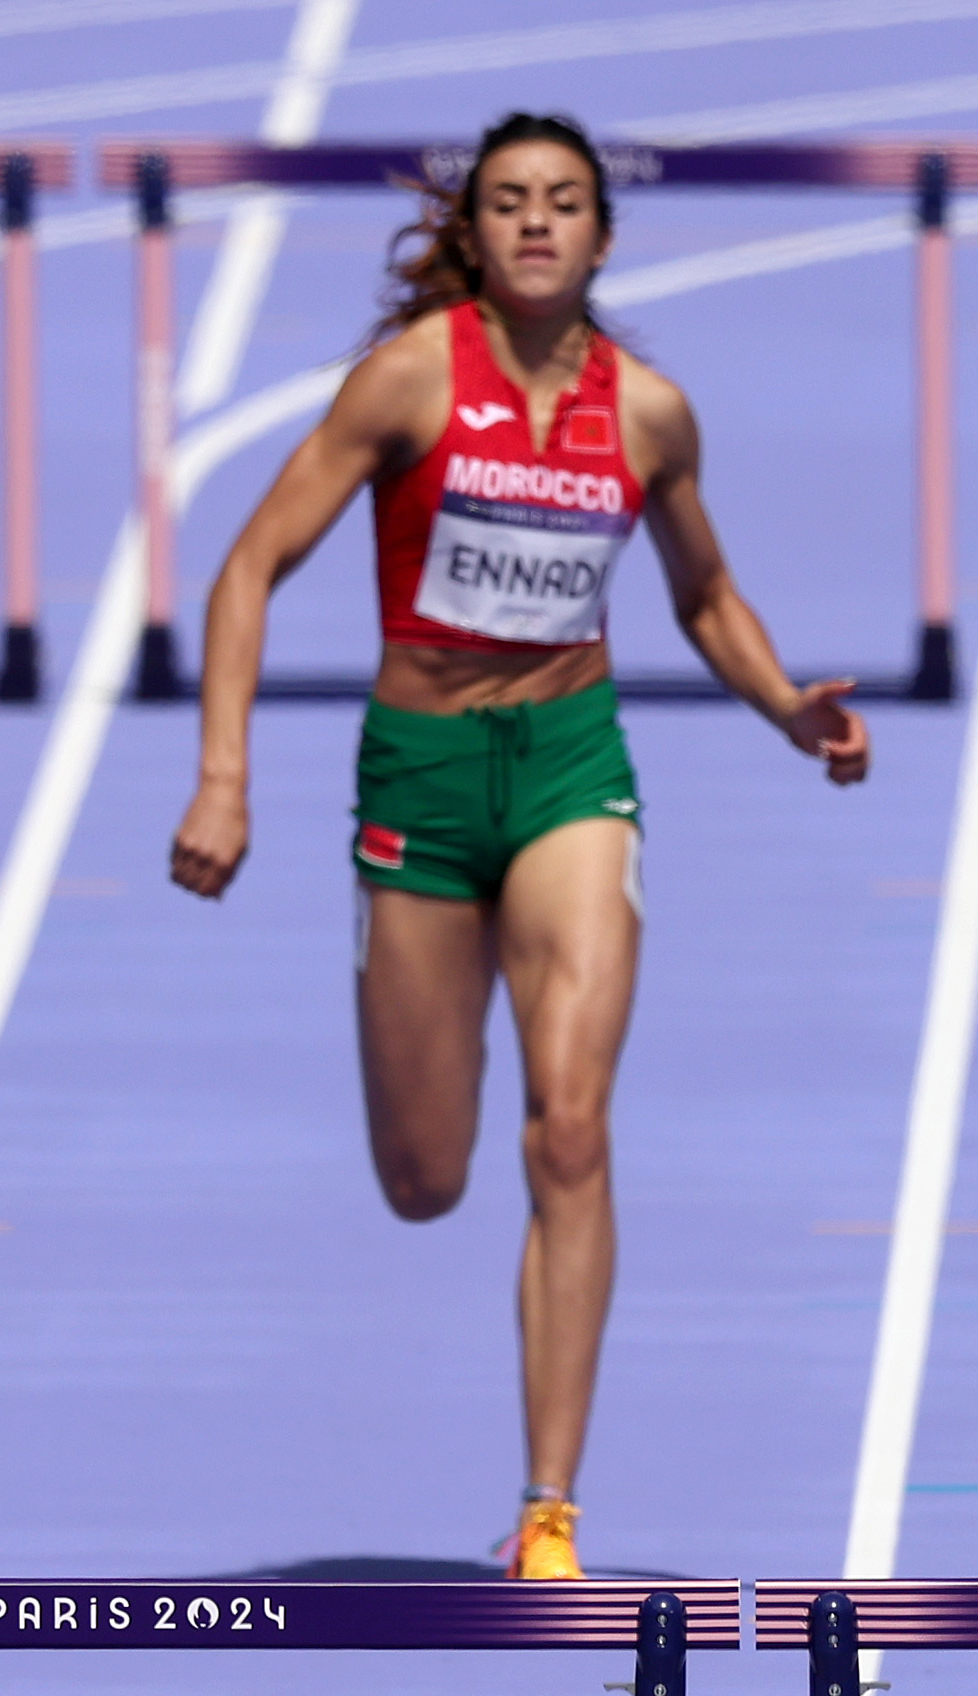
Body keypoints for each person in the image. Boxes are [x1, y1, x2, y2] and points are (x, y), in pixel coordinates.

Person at [167, 112, 868, 1579]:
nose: (537, 223)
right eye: (508, 203)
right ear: (474, 235)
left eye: (563, 202)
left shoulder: (651, 412)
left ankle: (550, 1508)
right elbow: (248, 566)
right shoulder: (412, 380)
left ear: (603, 235)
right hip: (419, 778)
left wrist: (792, 708)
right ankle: (427, 1048)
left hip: (569, 771)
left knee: (569, 1124)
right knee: (424, 1176)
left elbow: (705, 593)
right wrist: (222, 778)